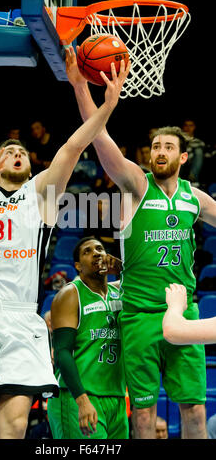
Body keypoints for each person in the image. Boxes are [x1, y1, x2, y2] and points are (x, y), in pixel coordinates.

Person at [0, 61, 128, 440]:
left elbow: (75, 145)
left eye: (22, 153)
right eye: (9, 151)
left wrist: (107, 106)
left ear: (29, 167)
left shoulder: (40, 193)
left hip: (21, 317)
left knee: (16, 425)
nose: (17, 154)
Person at [65, 45, 216, 439]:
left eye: (168, 147)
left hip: (183, 311)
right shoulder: (135, 185)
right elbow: (98, 138)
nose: (159, 152)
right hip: (138, 315)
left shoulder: (195, 199)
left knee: (195, 412)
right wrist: (83, 88)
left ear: (183, 158)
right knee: (145, 416)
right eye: (155, 146)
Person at [47, 236, 129, 439]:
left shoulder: (119, 292)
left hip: (116, 398)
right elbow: (62, 352)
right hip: (79, 396)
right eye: (87, 251)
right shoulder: (70, 294)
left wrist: (123, 269)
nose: (96, 253)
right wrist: (82, 401)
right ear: (77, 266)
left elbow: (149, 281)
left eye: (100, 249)